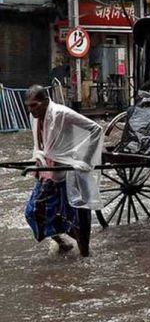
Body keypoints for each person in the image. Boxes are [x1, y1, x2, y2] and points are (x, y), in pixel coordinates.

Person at [24, 85, 103, 257]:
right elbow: (41, 145)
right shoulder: (36, 118)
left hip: (68, 172)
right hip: (48, 170)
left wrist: (86, 160)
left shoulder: (62, 113)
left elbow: (95, 129)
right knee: (33, 212)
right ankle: (62, 240)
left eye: (34, 105)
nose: (31, 110)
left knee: (78, 215)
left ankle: (85, 253)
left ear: (45, 102)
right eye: (28, 106)